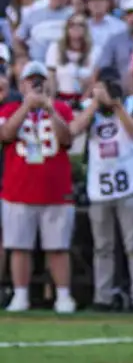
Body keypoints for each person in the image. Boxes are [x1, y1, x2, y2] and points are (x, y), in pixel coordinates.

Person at [0, 62, 76, 313]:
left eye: (40, 81)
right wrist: (26, 107)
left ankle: (63, 296)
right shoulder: (10, 109)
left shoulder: (62, 109)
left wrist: (49, 109)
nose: (36, 86)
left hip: (55, 191)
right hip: (19, 189)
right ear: (21, 85)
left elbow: (66, 139)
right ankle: (21, 295)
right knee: (19, 247)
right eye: (31, 81)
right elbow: (6, 134)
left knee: (58, 247)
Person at [72, 72, 133, 311]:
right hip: (100, 188)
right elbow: (74, 129)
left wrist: (117, 106)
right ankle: (102, 296)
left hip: (129, 187)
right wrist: (95, 103)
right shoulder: (89, 107)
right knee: (102, 247)